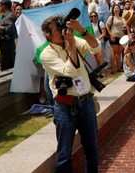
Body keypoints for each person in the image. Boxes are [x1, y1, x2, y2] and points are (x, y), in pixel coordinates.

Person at [38, 15, 101, 173]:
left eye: (62, 26)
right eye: (57, 29)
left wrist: (81, 30)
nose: (62, 30)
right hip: (65, 107)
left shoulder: (73, 40)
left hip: (85, 102)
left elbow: (96, 47)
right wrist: (72, 45)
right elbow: (69, 71)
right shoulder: (46, 54)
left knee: (92, 149)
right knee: (65, 153)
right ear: (47, 35)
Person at [0, 0, 17, 70]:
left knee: (8, 67)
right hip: (3, 46)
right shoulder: (3, 16)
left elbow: (9, 29)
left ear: (4, 6)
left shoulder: (10, 16)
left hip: (7, 47)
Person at [106, 4, 127, 73]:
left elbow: (125, 26)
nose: (116, 9)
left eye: (117, 8)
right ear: (113, 10)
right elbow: (107, 26)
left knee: (120, 53)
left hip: (121, 37)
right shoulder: (111, 17)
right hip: (114, 37)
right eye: (115, 8)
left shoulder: (122, 18)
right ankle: (114, 68)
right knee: (115, 53)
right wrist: (111, 34)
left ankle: (118, 67)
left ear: (119, 9)